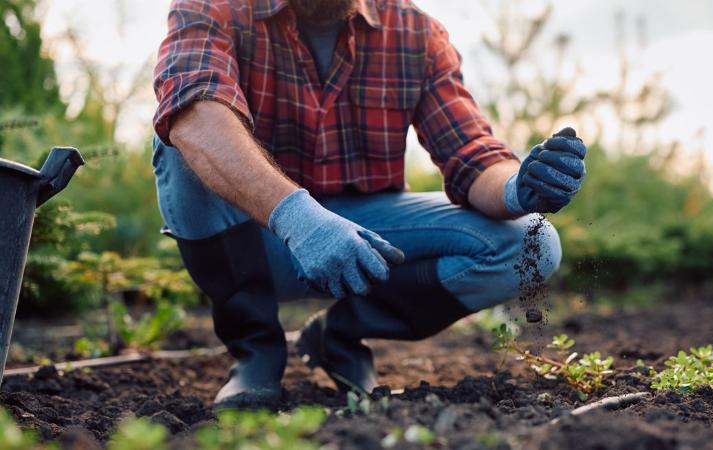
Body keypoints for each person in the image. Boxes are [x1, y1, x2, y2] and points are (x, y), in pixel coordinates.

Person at [151, 0, 587, 410]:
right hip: (253, 236)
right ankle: (256, 353)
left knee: (533, 243)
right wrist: (298, 218)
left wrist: (516, 187)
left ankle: (340, 335)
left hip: (368, 242)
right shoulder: (214, 6)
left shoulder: (414, 30)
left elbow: (470, 152)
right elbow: (193, 107)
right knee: (183, 135)